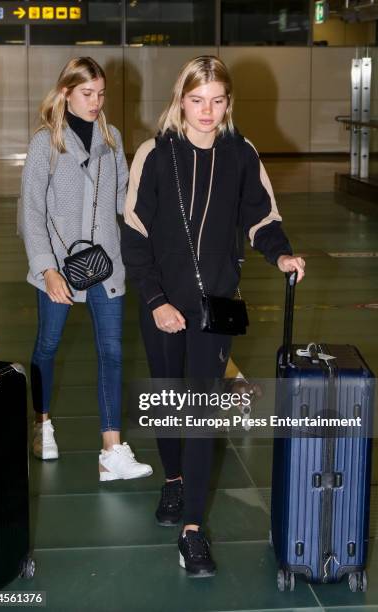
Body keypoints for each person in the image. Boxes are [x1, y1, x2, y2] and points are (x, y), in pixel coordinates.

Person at [121, 55, 305, 577]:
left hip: (216, 304)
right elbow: (135, 235)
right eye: (197, 100)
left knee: (200, 412)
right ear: (181, 99)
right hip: (162, 302)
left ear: (228, 102)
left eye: (217, 100)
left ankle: (193, 530)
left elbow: (261, 215)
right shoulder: (155, 154)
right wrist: (156, 301)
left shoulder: (241, 153)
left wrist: (281, 253)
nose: (207, 111)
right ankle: (174, 479)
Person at [20, 56, 152, 482]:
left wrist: (153, 223)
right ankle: (42, 424)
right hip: (58, 268)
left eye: (100, 94)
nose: (96, 102)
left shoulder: (111, 138)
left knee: (112, 353)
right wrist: (47, 270)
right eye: (86, 94)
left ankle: (111, 452)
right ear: (66, 93)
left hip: (105, 264)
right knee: (48, 345)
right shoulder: (45, 143)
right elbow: (32, 212)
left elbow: (121, 202)